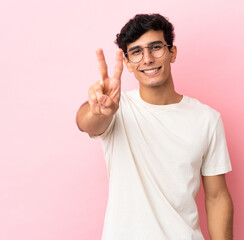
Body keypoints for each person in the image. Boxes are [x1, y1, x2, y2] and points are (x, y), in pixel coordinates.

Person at [76, 13, 234, 240]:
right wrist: (98, 110)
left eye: (156, 47)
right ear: (128, 63)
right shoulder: (118, 108)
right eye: (137, 52)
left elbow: (217, 196)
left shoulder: (207, 119)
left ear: (172, 53)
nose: (147, 59)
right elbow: (86, 123)